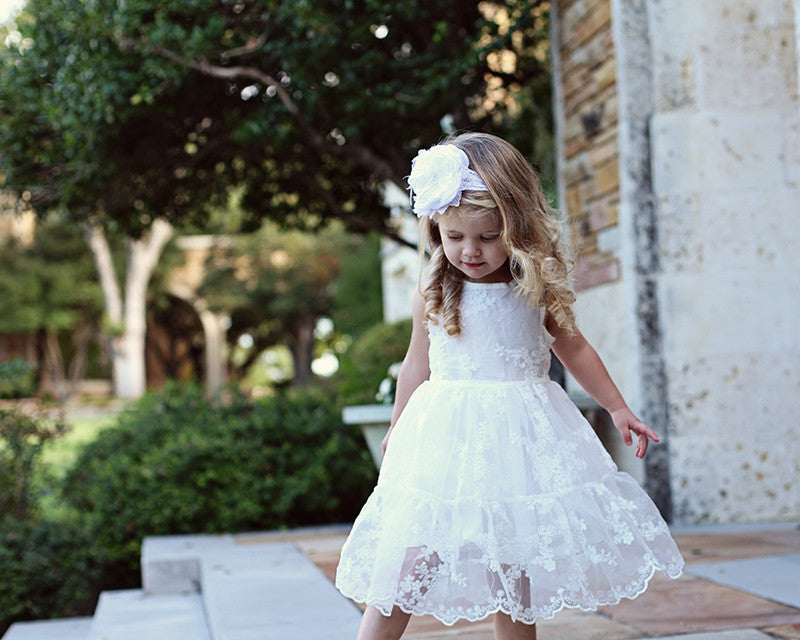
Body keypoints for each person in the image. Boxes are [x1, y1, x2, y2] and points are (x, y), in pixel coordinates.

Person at [335, 133, 684, 640]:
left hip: (520, 438)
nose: (469, 251)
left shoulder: (533, 287)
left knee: (514, 568)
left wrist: (617, 408)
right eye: (453, 237)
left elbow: (575, 348)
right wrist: (397, 429)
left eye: (486, 236)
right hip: (446, 438)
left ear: (517, 227)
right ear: (435, 229)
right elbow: (416, 365)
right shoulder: (432, 291)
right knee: (411, 558)